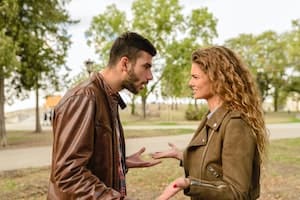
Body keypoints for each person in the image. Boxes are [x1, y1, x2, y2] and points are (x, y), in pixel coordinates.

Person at [47, 31, 161, 200]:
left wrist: (120, 162)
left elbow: (87, 160)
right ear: (125, 64)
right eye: (146, 67)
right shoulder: (85, 98)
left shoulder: (108, 98)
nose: (150, 76)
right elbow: (68, 175)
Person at [154, 46, 268, 200]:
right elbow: (215, 165)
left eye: (195, 77)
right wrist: (183, 156)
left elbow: (237, 192)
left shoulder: (236, 124)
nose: (189, 83)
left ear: (217, 79)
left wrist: (189, 184)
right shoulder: (212, 116)